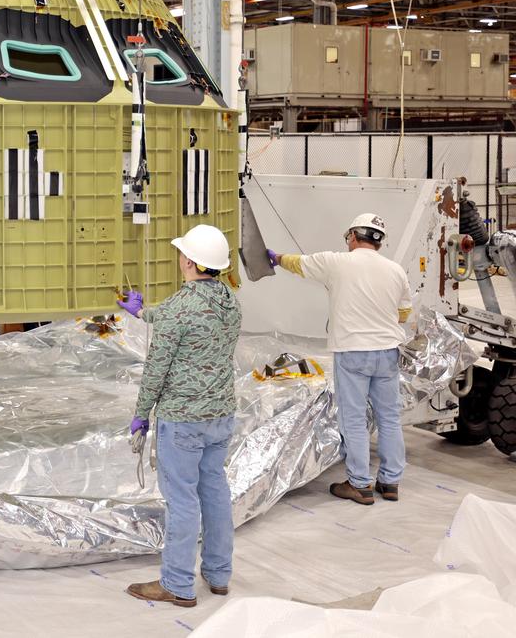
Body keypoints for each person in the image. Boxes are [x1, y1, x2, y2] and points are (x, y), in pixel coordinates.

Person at [117, 224, 241, 608]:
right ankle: (218, 574)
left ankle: (177, 584)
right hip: (220, 415)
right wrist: (144, 314)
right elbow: (188, 322)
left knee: (183, 501)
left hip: (183, 421)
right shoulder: (231, 301)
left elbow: (157, 369)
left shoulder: (178, 309)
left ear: (189, 261)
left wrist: (141, 414)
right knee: (215, 492)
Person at [268, 213, 411, 505]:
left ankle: (360, 484)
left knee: (354, 419)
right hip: (387, 352)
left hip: (353, 352)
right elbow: (404, 313)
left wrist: (276, 258)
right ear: (379, 242)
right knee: (389, 418)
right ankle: (390, 482)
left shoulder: (336, 262)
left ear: (354, 236)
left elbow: (299, 263)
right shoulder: (395, 270)